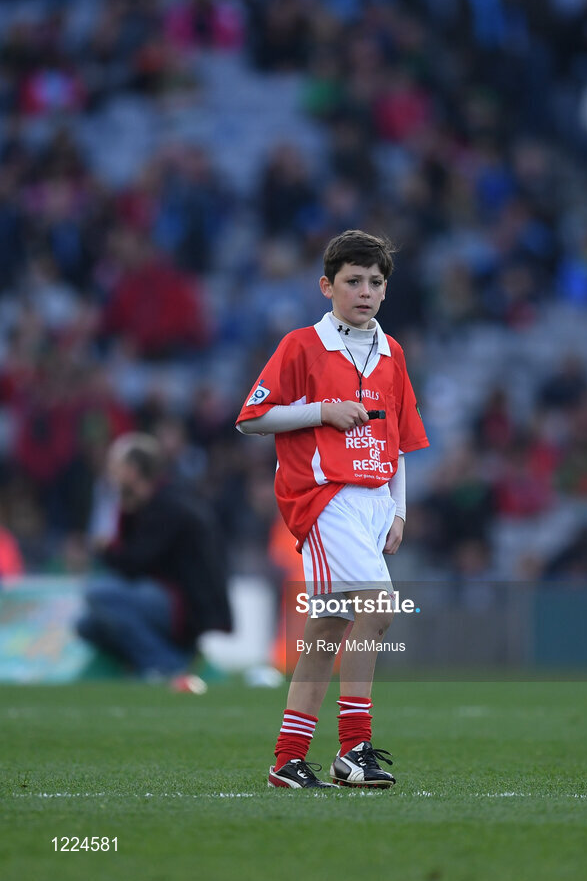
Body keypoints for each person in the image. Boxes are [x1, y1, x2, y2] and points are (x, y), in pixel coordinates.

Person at [237, 229, 429, 789]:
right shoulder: (301, 345)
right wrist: (321, 411)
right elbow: (251, 418)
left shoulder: (392, 352)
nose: (364, 291)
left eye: (375, 282)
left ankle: (287, 760)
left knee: (328, 630)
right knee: (380, 607)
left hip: (373, 501)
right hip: (325, 498)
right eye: (353, 281)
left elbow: (400, 441)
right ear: (327, 286)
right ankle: (354, 748)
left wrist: (398, 510)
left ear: (386, 291)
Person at [76, 433, 232, 690]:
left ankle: (165, 665)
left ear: (133, 470)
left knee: (99, 594)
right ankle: (164, 659)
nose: (110, 473)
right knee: (87, 626)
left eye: (115, 465)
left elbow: (133, 563)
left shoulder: (168, 506)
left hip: (187, 606)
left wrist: (104, 548)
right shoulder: (153, 502)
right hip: (169, 600)